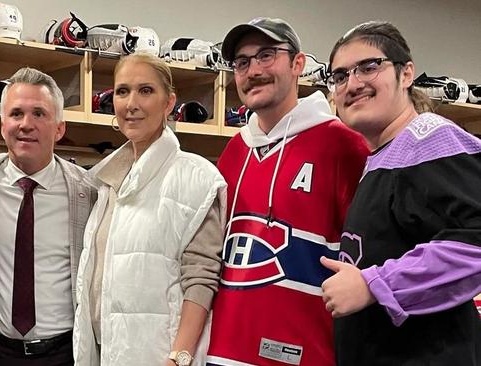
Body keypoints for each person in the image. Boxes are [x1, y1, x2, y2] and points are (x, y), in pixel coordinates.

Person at [205, 18, 369, 366]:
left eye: (267, 56)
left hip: (305, 354)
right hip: (222, 354)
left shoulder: (343, 146)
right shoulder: (234, 152)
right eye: (242, 62)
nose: (253, 71)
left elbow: (367, 261)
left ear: (298, 64)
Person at [320, 20, 481, 365]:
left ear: (406, 74)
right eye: (340, 75)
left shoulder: (430, 139)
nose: (353, 83)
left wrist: (375, 284)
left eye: (369, 66)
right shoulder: (384, 155)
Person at [72, 52, 226, 366]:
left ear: (169, 102)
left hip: (162, 357)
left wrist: (179, 358)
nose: (132, 103)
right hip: (106, 353)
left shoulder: (196, 178)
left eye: (146, 91)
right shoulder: (106, 182)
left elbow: (201, 278)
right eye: (122, 91)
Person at [0, 67, 96, 366]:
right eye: (16, 113)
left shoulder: (88, 190)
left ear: (59, 128)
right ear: (2, 123)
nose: (26, 124)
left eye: (39, 114)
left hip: (63, 353)